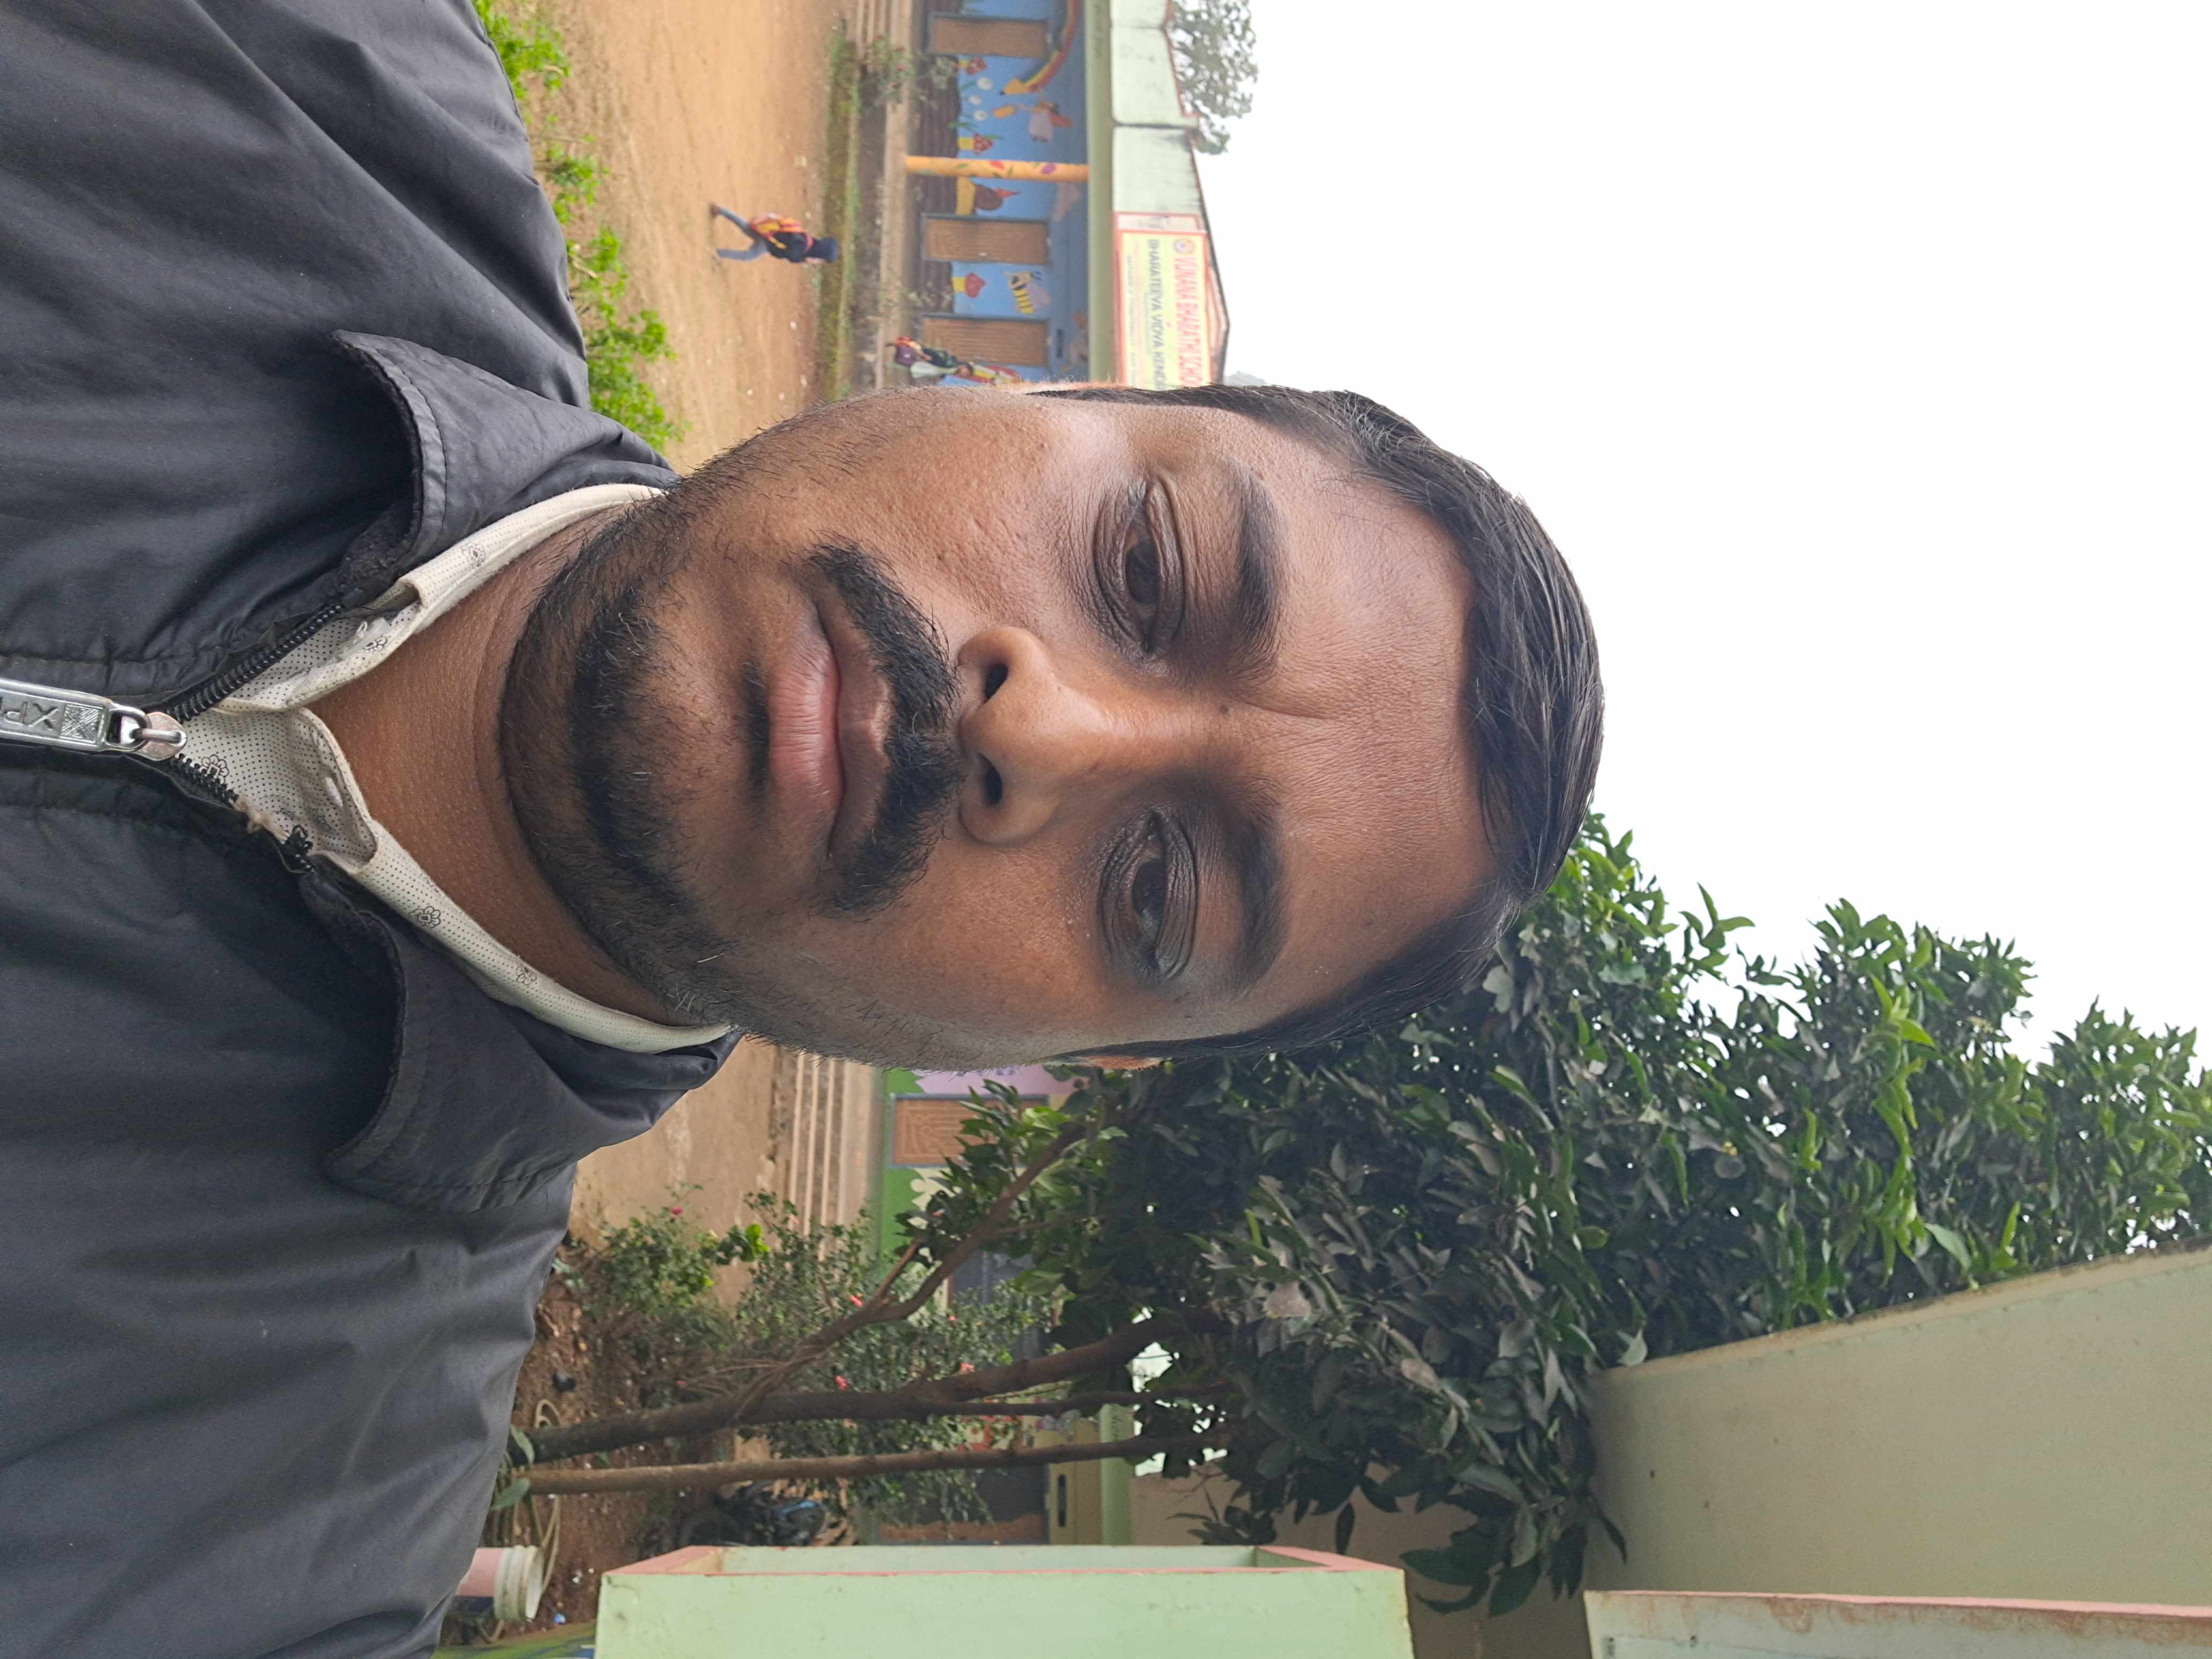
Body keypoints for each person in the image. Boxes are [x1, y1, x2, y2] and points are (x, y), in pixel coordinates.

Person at [0, 3, 1601, 1655]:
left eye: (1156, 888)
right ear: (1040, 386)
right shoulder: (307, 65)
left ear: (1081, 1055)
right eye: (1142, 569)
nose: (1037, 730)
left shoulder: (257, 1555)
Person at [710, 202, 840, 265]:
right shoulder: (802, 248)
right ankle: (719, 253)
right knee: (748, 256)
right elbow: (791, 255)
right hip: (768, 244)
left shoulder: (808, 240)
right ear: (819, 255)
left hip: (768, 233)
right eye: (821, 260)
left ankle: (721, 210)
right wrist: (804, 259)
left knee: (745, 226)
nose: (819, 262)